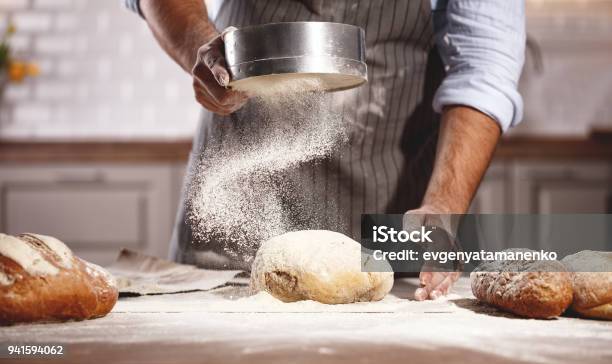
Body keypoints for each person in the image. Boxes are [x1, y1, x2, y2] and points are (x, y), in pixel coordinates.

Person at [124, 0, 525, 301]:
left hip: (391, 192)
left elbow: (484, 64)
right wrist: (199, 45)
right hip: (237, 192)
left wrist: (443, 202)